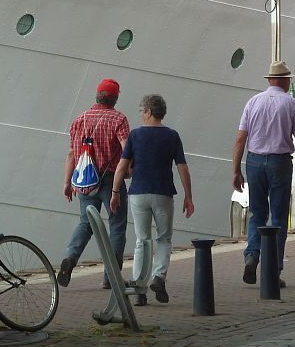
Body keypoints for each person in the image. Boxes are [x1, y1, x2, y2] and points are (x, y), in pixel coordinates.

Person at [110, 94, 194, 306]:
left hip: (138, 193)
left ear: (148, 112)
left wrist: (114, 192)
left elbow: (122, 166)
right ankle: (159, 277)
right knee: (164, 238)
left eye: (141, 111)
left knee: (142, 241)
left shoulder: (135, 136)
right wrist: (188, 196)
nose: (140, 114)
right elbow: (182, 167)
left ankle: (139, 288)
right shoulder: (172, 136)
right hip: (163, 193)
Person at [232, 60, 295, 286]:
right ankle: (272, 271)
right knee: (278, 218)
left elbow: (240, 138)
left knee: (257, 214)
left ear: (269, 80)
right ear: (285, 81)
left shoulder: (253, 102)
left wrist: (236, 170)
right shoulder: (292, 104)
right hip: (280, 163)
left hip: (254, 162)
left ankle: (252, 256)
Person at [57, 78, 131, 289]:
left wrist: (67, 182)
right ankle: (112, 278)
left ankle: (70, 258)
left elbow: (72, 153)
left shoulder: (80, 119)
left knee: (86, 223)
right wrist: (129, 170)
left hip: (85, 180)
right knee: (116, 227)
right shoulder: (118, 119)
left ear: (97, 96)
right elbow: (127, 150)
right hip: (110, 180)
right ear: (115, 98)